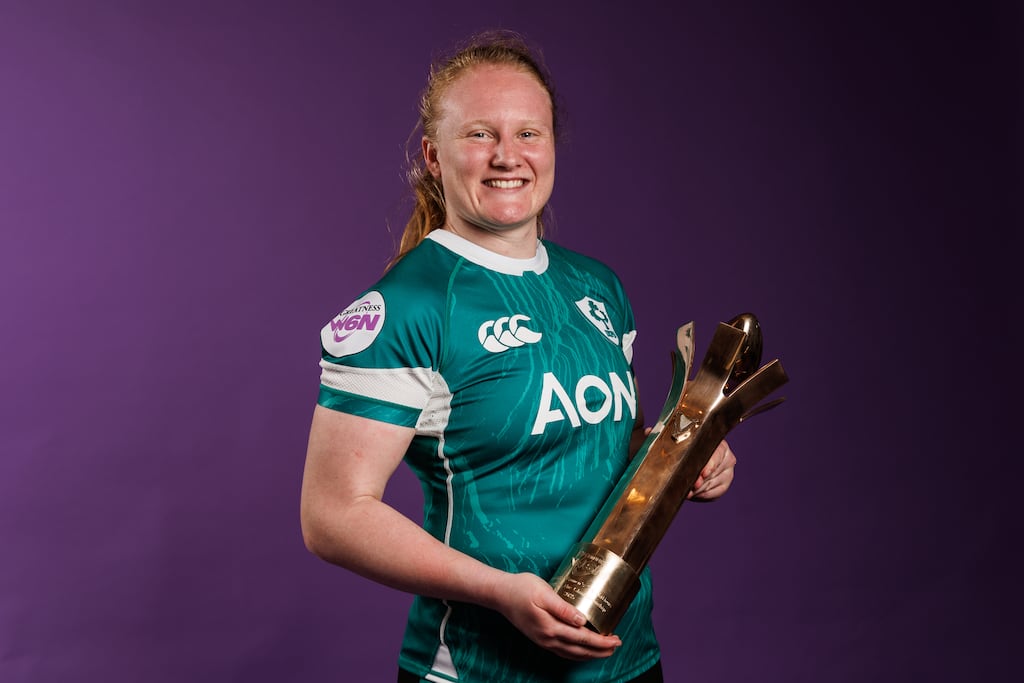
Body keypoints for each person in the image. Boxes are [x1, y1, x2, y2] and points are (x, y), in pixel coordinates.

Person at [300, 30, 737, 683]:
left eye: (529, 133)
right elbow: (332, 515)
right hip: (476, 669)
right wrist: (500, 590)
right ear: (433, 155)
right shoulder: (410, 306)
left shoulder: (598, 288)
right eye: (480, 134)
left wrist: (683, 457)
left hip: (627, 659)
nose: (508, 155)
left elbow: (610, 453)